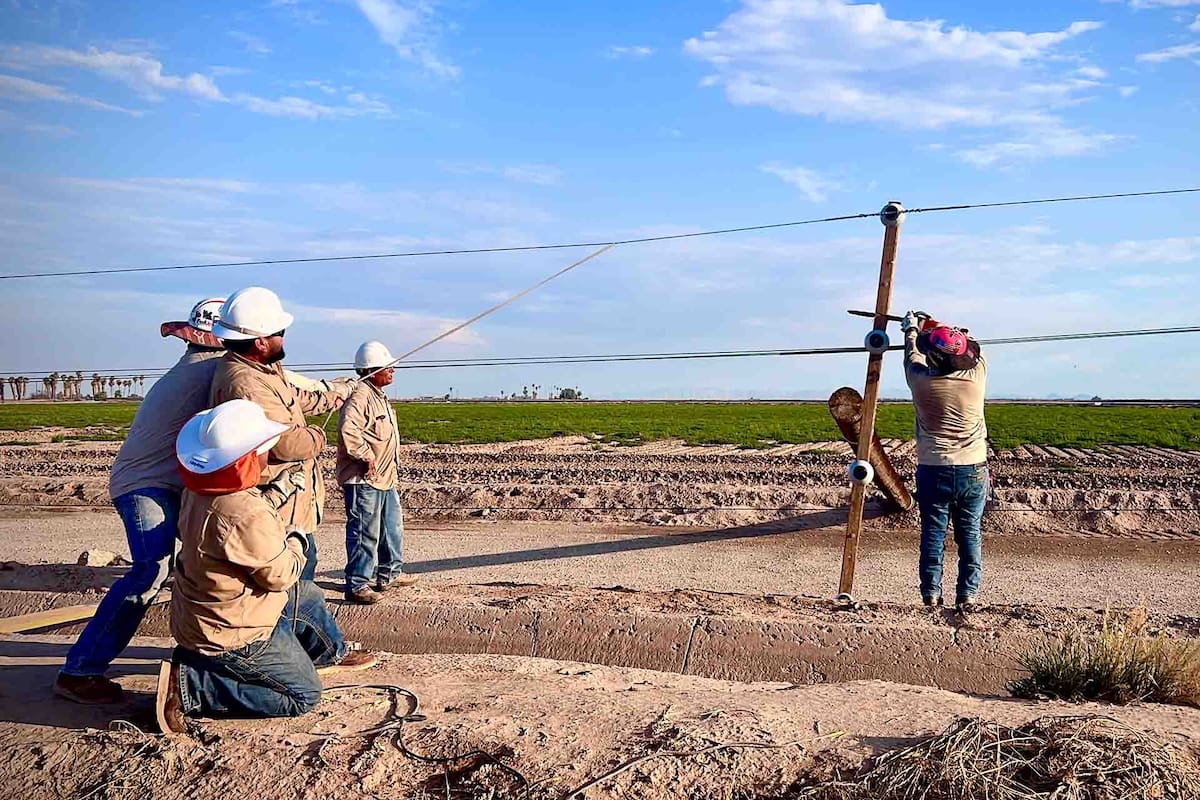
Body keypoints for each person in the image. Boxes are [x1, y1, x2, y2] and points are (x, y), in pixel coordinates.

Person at [156, 399, 376, 733]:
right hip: (234, 631)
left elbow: (238, 517)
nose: (267, 454)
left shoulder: (199, 492)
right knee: (303, 695)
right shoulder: (246, 513)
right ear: (247, 458)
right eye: (262, 449)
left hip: (207, 614)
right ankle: (192, 685)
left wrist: (277, 490)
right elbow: (280, 576)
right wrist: (297, 540)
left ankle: (325, 655)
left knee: (307, 595)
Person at [53, 298, 226, 705]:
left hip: (159, 484)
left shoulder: (197, 366)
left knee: (197, 564)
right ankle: (79, 671)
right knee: (152, 570)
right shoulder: (212, 369)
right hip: (146, 485)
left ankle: (199, 657)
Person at [208, 287, 353, 581]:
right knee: (293, 584)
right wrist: (318, 436)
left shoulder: (264, 367)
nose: (284, 338)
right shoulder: (246, 384)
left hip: (292, 503)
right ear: (260, 342)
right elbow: (284, 444)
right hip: (278, 506)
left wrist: (330, 398)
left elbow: (292, 397)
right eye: (280, 332)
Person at [902, 310, 988, 614]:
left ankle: (931, 595)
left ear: (934, 358)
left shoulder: (920, 382)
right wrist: (946, 330)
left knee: (933, 534)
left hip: (933, 468)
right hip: (973, 468)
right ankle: (967, 595)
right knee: (970, 534)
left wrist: (912, 330)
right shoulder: (976, 378)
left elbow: (912, 355)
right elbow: (973, 347)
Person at [337, 341, 418, 604]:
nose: (393, 370)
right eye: (388, 366)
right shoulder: (360, 396)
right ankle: (357, 584)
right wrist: (366, 455)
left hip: (384, 477)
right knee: (365, 532)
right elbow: (348, 430)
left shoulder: (378, 395)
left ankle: (390, 573)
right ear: (372, 370)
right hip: (364, 479)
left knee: (391, 528)